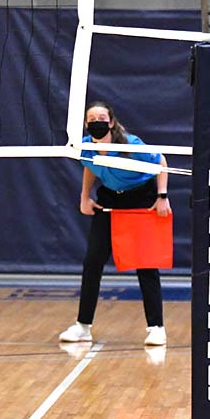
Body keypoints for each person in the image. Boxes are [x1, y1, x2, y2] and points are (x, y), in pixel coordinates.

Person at [58, 101, 170, 347]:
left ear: (110, 122)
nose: (97, 122)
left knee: (145, 264)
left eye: (101, 118)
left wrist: (162, 196)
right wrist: (84, 196)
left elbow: (161, 161)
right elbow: (90, 168)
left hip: (141, 199)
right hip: (109, 200)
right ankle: (83, 326)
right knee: (92, 261)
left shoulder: (131, 144)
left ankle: (156, 328)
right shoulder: (86, 146)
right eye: (92, 119)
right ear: (87, 124)